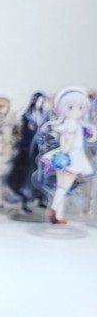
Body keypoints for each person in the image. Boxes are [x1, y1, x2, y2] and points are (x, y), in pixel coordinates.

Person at [39, 86, 95, 224]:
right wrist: (65, 153)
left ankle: (58, 214)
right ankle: (54, 208)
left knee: (61, 187)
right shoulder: (73, 125)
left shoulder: (70, 124)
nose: (76, 111)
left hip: (66, 155)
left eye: (80, 107)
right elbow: (66, 142)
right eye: (71, 107)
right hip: (71, 157)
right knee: (64, 187)